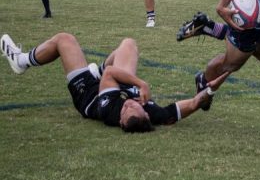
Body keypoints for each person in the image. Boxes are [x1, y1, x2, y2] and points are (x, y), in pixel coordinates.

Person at [1, 32, 228, 132]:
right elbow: (188, 107)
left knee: (64, 39)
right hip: (112, 85)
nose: (129, 105)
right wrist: (210, 91)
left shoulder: (110, 111)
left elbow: (111, 73)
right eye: (133, 106)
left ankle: (21, 61)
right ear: (146, 113)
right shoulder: (155, 115)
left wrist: (142, 84)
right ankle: (98, 73)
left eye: (126, 110)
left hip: (87, 94)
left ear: (120, 121)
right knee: (128, 44)